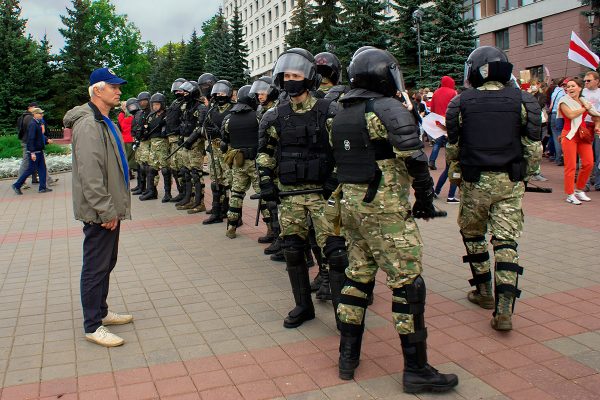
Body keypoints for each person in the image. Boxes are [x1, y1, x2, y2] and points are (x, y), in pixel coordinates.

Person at [329, 48, 458, 392]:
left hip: (352, 204)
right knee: (407, 283)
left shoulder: (341, 109)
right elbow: (415, 158)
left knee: (357, 277)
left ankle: (347, 357)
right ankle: (416, 370)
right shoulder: (386, 107)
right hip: (384, 208)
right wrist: (425, 199)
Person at [446, 46, 542, 331]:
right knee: (506, 242)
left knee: (474, 235)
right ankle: (504, 310)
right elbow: (533, 149)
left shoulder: (461, 102)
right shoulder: (524, 100)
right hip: (510, 182)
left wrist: (456, 173)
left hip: (475, 182)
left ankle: (484, 292)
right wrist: (522, 176)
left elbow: (454, 148)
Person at [256, 48, 346, 329]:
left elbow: (343, 151)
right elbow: (265, 153)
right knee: (294, 250)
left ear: (308, 78)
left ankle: (344, 311)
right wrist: (266, 180)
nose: (290, 80)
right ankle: (303, 306)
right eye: (286, 75)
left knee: (333, 252)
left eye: (296, 75)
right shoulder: (274, 115)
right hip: (291, 197)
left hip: (323, 196)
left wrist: (335, 178)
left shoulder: (329, 111)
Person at [63, 67, 133, 347]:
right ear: (97, 90)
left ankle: (101, 312)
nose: (119, 91)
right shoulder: (89, 124)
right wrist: (105, 210)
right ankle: (92, 325)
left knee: (106, 262)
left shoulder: (104, 120)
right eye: (114, 87)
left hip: (109, 207)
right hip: (100, 211)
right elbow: (91, 173)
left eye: (118, 87)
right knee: (95, 266)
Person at [220, 85, 264, 238]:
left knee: (236, 194)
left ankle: (231, 226)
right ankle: (272, 229)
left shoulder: (228, 118)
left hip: (238, 162)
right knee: (263, 195)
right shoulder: (258, 116)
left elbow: (224, 139)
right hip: (256, 162)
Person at [557, 77, 599, 204]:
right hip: (569, 135)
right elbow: (570, 115)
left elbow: (596, 115)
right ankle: (570, 194)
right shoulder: (563, 101)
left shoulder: (583, 100)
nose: (569, 88)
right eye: (568, 86)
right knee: (570, 166)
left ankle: (579, 190)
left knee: (588, 163)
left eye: (572, 86)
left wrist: (597, 125)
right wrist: (585, 108)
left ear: (580, 88)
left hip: (582, 134)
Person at [251, 76, 281, 249]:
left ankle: (281, 239)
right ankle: (274, 234)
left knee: (277, 202)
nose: (260, 96)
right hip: (264, 158)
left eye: (263, 92)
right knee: (269, 200)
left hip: (278, 160)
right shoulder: (260, 111)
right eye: (258, 93)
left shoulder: (278, 109)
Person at [202, 80, 234, 224]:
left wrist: (220, 132)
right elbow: (205, 127)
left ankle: (233, 212)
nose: (219, 95)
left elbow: (236, 129)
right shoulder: (212, 110)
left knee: (230, 181)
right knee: (216, 181)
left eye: (222, 93)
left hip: (227, 149)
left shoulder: (233, 109)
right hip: (213, 150)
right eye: (217, 93)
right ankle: (217, 211)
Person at [12, 107, 53, 195]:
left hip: (39, 150)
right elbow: (31, 139)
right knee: (30, 169)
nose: (42, 115)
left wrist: (46, 140)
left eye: (42, 113)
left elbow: (40, 136)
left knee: (42, 169)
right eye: (40, 113)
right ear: (35, 114)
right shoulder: (33, 124)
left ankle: (42, 187)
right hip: (35, 151)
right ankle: (17, 185)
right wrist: (32, 152)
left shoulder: (38, 123)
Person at [139, 93, 167, 201]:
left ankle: (168, 193)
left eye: (157, 104)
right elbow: (147, 129)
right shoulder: (151, 116)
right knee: (151, 168)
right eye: (153, 105)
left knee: (165, 169)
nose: (155, 107)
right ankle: (152, 191)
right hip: (153, 143)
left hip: (163, 143)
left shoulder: (165, 115)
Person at [164, 78, 187, 204]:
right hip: (171, 137)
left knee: (183, 168)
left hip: (179, 138)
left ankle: (187, 194)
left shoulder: (185, 102)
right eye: (176, 89)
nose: (178, 91)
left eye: (180, 89)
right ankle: (181, 192)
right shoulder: (175, 102)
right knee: (174, 168)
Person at [130, 91, 151, 195]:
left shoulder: (149, 112)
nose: (142, 103)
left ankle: (148, 189)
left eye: (144, 101)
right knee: (139, 165)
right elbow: (136, 127)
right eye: (140, 101)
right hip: (140, 141)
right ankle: (141, 186)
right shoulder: (140, 113)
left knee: (146, 166)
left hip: (147, 142)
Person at [582, 71, 600, 191]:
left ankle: (598, 183)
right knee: (585, 155)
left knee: (599, 155)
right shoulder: (581, 92)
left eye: (589, 80)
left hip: (598, 124)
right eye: (585, 81)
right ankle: (585, 183)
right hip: (585, 125)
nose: (586, 83)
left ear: (597, 81)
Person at [118, 98, 138, 181]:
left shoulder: (123, 115)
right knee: (130, 157)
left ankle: (129, 173)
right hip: (129, 138)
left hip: (126, 138)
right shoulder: (128, 116)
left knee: (128, 156)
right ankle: (129, 174)